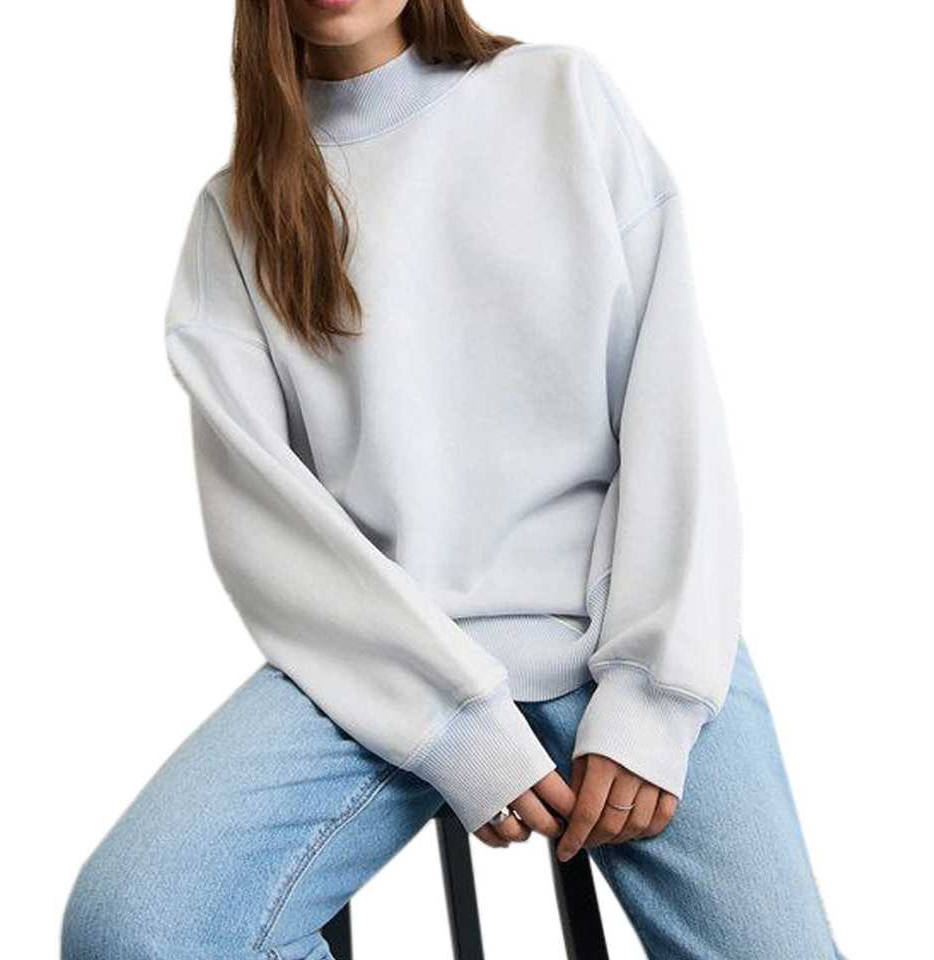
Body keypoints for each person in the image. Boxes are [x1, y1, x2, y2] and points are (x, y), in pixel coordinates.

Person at [61, 1, 848, 957]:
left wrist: (654, 695)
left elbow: (672, 409)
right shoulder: (237, 215)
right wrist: (455, 726)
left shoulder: (558, 94)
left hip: (626, 620)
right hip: (386, 659)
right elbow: (269, 527)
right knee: (133, 925)